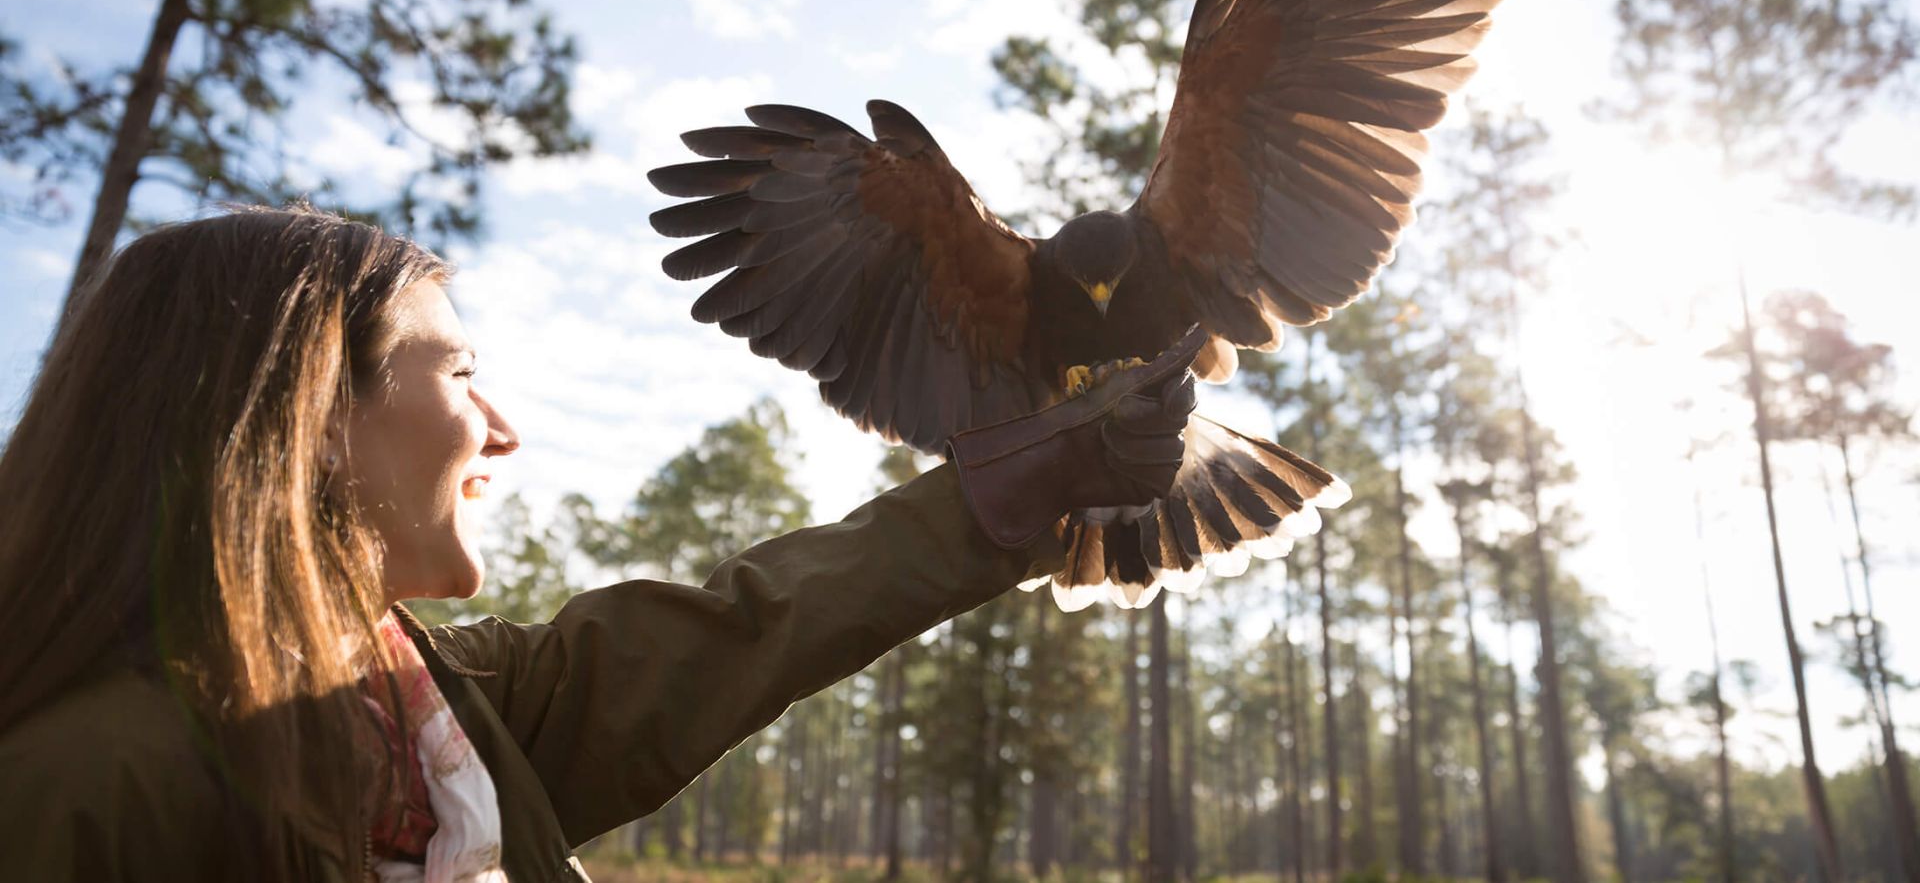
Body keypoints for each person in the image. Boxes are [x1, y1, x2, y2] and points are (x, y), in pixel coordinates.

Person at [0, 206, 1201, 881]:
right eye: (462, 373)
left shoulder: (434, 714)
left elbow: (732, 630)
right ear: (308, 414)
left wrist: (1005, 494)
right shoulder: (79, 796)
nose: (504, 430)